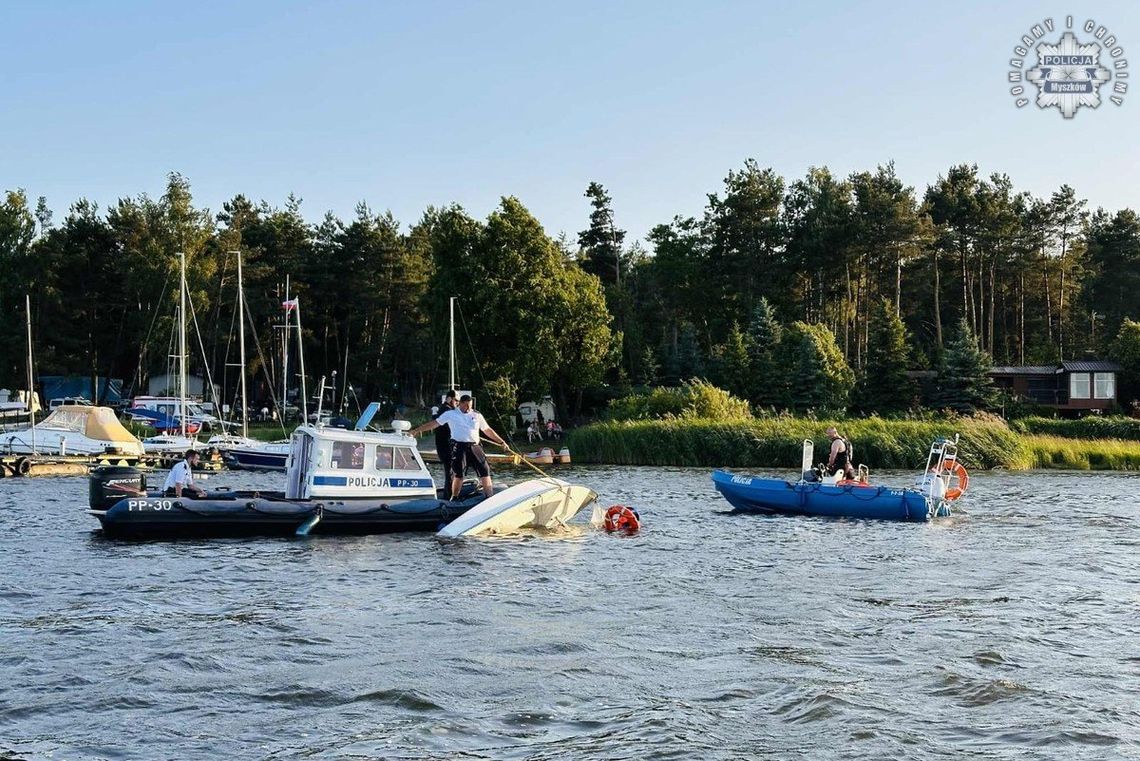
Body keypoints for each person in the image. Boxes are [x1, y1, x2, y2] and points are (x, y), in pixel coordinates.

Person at [409, 394, 508, 500]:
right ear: (460, 404)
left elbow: (487, 430)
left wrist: (501, 442)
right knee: (458, 474)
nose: (468, 408)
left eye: (470, 406)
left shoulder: (476, 415)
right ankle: (454, 496)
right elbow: (434, 424)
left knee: (485, 471)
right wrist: (417, 430)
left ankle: (489, 497)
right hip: (460, 446)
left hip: (475, 446)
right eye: (466, 405)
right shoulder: (451, 414)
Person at [433, 389, 458, 480]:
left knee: (450, 471)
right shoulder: (447, 411)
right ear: (449, 399)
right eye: (456, 400)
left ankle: (450, 491)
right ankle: (450, 492)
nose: (457, 403)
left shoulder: (443, 409)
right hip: (446, 445)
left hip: (443, 445)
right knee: (451, 472)